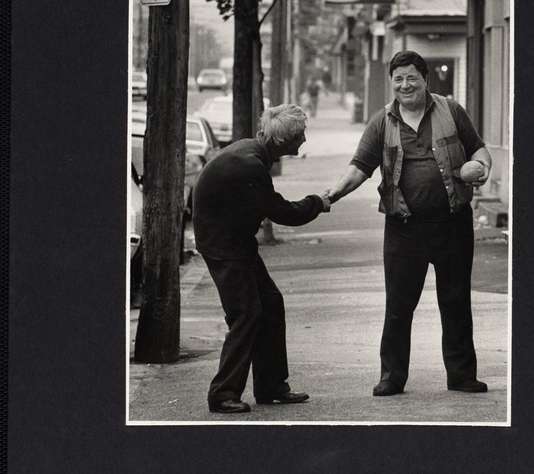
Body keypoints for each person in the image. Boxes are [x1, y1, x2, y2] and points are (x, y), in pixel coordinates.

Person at [327, 51, 492, 397]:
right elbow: (359, 167)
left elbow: (478, 150)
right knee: (399, 307)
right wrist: (333, 194)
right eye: (398, 79)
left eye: (411, 77)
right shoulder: (381, 122)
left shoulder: (450, 110)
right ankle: (392, 377)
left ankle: (462, 375)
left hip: (453, 224)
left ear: (425, 79)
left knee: (456, 301)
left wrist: (483, 168)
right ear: (392, 83)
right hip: (404, 228)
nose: (405, 85)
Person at [192, 103, 331, 414]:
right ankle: (223, 393)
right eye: (301, 135)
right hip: (224, 247)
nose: (305, 140)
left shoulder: (251, 150)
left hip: (234, 242)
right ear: (283, 142)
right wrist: (317, 202)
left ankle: (271, 386)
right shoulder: (251, 165)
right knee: (246, 314)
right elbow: (282, 212)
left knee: (270, 303)